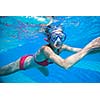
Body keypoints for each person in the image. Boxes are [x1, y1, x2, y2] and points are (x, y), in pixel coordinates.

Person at [0, 17, 100, 76]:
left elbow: (81, 51)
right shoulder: (45, 50)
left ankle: (37, 65)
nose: (58, 41)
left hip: (40, 62)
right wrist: (90, 47)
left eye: (61, 37)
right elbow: (65, 64)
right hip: (23, 63)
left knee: (46, 74)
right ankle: (36, 65)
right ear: (47, 39)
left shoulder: (62, 47)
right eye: (54, 37)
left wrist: (95, 48)